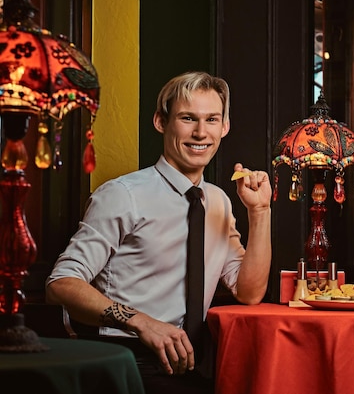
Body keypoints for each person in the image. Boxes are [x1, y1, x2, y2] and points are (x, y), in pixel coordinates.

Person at [46, 71, 272, 393]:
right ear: (160, 122)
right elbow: (61, 283)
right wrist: (142, 322)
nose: (200, 132)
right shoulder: (123, 194)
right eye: (187, 118)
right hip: (127, 361)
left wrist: (260, 212)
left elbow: (249, 292)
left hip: (196, 365)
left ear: (225, 127)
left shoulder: (219, 201)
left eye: (211, 119)